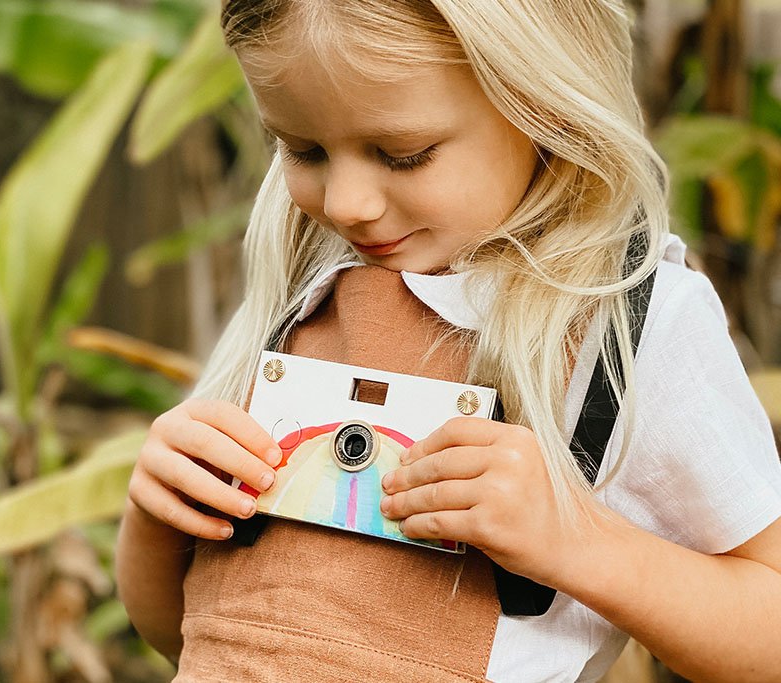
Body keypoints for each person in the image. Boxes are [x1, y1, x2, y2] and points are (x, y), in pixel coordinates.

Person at [115, 0, 781, 680]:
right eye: (302, 149)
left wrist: (574, 540)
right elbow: (193, 634)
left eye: (404, 155)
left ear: (541, 104)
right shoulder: (303, 291)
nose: (346, 202)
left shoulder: (628, 324)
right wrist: (155, 518)